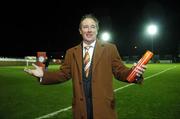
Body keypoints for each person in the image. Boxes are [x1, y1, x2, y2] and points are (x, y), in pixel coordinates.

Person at [24, 14, 146, 119]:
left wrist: (134, 73)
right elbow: (63, 74)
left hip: (103, 109)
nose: (89, 30)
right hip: (81, 110)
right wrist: (43, 75)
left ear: (97, 30)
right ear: (80, 30)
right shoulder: (71, 52)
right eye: (85, 27)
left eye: (92, 27)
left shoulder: (110, 48)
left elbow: (120, 71)